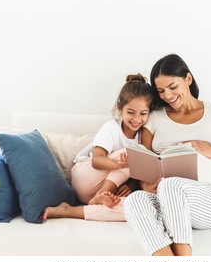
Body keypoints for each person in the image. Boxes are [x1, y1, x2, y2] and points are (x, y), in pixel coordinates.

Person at [123, 54, 211, 256]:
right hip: (167, 200)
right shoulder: (154, 118)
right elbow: (145, 164)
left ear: (188, 79)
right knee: (135, 200)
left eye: (173, 87)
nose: (167, 96)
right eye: (161, 91)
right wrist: (146, 185)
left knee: (171, 184)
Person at [41, 73, 153, 221]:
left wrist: (131, 186)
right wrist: (116, 164)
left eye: (143, 114)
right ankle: (102, 193)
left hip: (98, 192)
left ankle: (68, 210)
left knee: (136, 207)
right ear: (120, 108)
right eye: (130, 112)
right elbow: (97, 160)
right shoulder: (111, 128)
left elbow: (135, 173)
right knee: (137, 153)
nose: (137, 119)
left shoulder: (142, 136)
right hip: (86, 176)